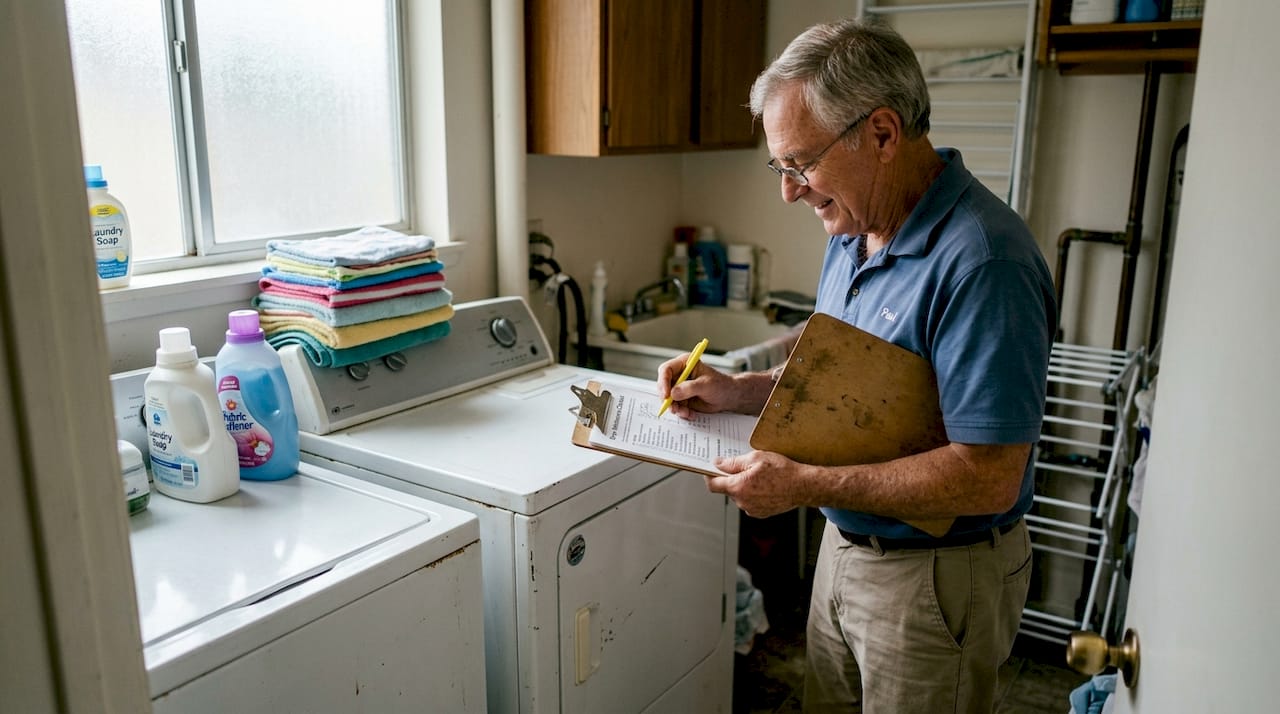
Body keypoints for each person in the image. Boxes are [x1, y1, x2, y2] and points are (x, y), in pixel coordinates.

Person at [657, 17, 1056, 714]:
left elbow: (991, 476)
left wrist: (802, 483)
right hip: (846, 552)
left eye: (801, 165)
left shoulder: (985, 262)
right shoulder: (853, 232)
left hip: (938, 576)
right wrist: (740, 390)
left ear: (881, 134)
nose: (790, 191)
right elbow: (846, 389)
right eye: (780, 167)